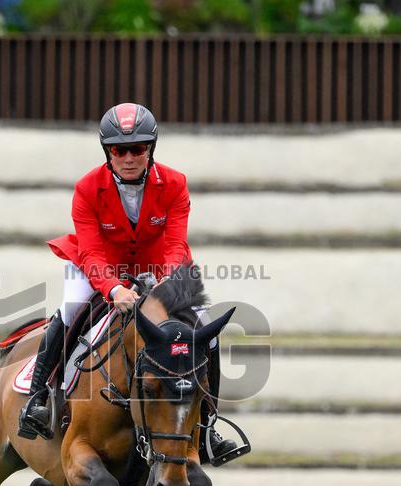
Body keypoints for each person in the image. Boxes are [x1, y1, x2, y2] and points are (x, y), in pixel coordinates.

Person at [17, 102, 250, 466]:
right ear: (108, 152)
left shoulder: (175, 183)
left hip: (163, 266)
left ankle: (209, 425)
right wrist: (112, 289)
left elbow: (174, 243)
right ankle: (39, 399)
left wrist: (162, 282)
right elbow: (92, 251)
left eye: (137, 149)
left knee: (207, 329)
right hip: (101, 265)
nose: (128, 157)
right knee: (71, 309)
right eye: (119, 150)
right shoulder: (87, 188)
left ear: (150, 150)